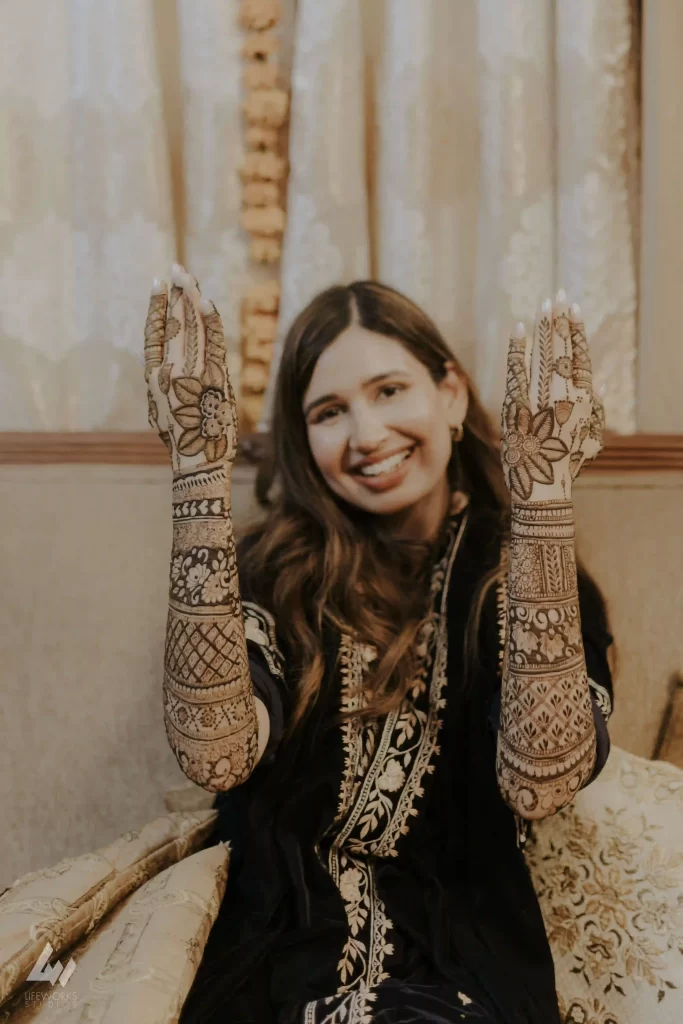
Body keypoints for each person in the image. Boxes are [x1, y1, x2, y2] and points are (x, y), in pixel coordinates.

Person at [143, 270, 614, 1024]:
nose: (366, 436)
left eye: (389, 391)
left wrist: (545, 506)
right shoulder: (273, 570)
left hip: (465, 965)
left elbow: (542, 781)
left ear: (451, 394)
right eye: (329, 412)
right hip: (272, 962)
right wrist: (198, 477)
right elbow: (216, 755)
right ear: (303, 443)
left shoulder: (518, 576)